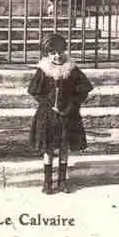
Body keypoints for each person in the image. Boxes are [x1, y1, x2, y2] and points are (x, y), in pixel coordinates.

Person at [28, 33, 94, 194]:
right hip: (48, 116)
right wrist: (49, 104)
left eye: (60, 52)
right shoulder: (43, 70)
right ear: (47, 54)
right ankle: (47, 182)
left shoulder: (72, 70)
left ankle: (62, 181)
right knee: (49, 148)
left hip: (68, 115)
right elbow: (35, 92)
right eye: (52, 53)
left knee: (64, 147)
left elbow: (84, 90)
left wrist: (72, 104)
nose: (57, 56)